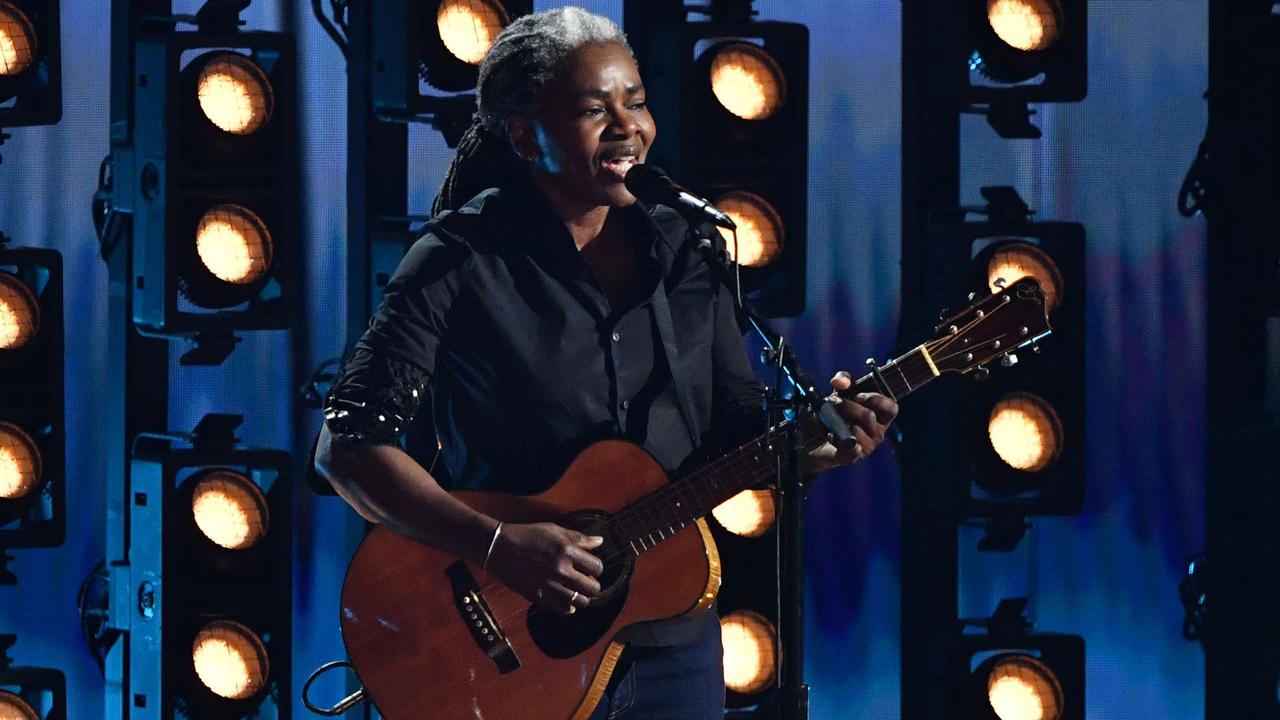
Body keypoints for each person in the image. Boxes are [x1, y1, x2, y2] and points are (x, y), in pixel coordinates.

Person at [314, 7, 897, 719]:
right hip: (508, 648)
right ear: (526, 135)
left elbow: (736, 430)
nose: (630, 128)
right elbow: (347, 448)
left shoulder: (690, 246)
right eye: (596, 109)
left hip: (671, 636)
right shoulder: (459, 257)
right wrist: (500, 547)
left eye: (637, 102)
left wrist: (812, 450)